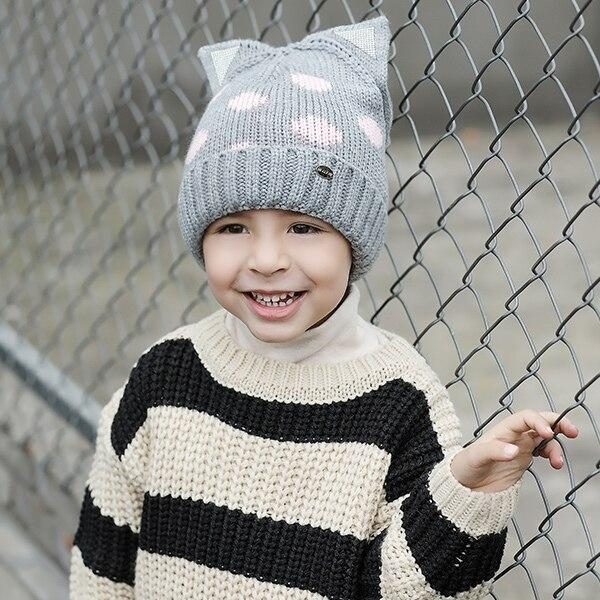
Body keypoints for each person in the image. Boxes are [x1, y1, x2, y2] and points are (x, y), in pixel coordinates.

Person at [68, 14, 579, 599]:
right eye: (233, 226)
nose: (265, 258)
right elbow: (102, 564)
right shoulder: (163, 379)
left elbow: (401, 587)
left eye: (304, 227)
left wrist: (465, 494)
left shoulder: (399, 401)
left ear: (353, 239)